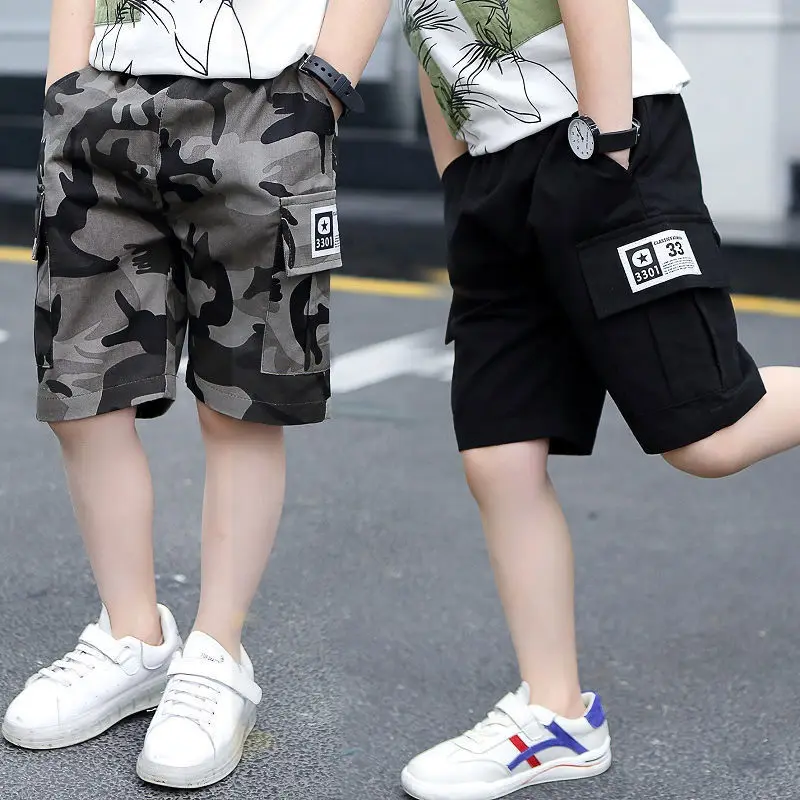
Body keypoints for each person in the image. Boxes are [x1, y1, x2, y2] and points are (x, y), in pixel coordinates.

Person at [398, 2, 800, 799]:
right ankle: (557, 716)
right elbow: (429, 33)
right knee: (499, 450)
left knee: (712, 434)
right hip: (491, 169)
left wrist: (609, 142)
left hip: (596, 135)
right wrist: (456, 174)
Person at [2, 0, 389, 789]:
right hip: (102, 102)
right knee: (82, 388)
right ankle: (133, 639)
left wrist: (324, 89)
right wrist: (66, 87)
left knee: (242, 403)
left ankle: (217, 653)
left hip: (265, 108)